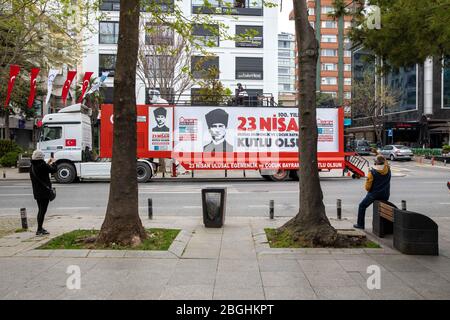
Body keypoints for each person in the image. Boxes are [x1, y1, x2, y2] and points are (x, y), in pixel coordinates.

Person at [354, 154, 391, 229]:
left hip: (374, 194)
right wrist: (378, 154)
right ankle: (381, 227)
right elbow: (385, 161)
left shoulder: (372, 172)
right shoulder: (388, 169)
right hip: (385, 194)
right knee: (381, 209)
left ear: (376, 163)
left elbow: (367, 187)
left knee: (362, 206)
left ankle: (360, 224)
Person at [30, 150, 57, 236]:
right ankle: (39, 229)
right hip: (44, 192)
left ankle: (40, 228)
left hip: (37, 192)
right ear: (41, 157)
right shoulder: (42, 165)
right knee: (42, 211)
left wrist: (48, 163)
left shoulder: (32, 166)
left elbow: (43, 170)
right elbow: (53, 170)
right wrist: (54, 162)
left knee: (40, 210)